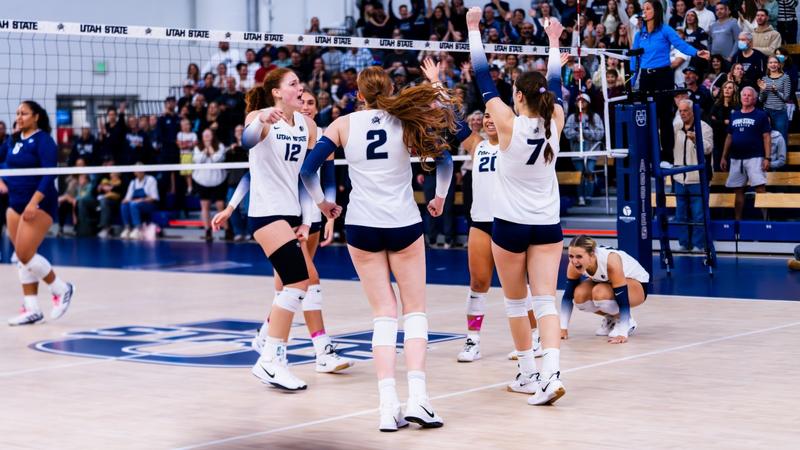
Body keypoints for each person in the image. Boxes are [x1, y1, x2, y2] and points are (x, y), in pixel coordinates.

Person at [300, 62, 456, 429]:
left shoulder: (342, 124)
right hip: (402, 223)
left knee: (384, 315)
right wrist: (439, 198)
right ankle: (419, 399)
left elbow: (307, 171)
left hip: (361, 226)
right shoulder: (405, 120)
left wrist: (323, 204)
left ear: (358, 94)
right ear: (389, 90)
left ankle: (388, 407)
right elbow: (445, 159)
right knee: (414, 311)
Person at [217, 89, 354, 374]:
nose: (306, 106)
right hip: (287, 215)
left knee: (290, 284)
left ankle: (265, 337)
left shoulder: (320, 135)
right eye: (302, 101)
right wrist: (230, 208)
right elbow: (253, 174)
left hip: (312, 214)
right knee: (308, 280)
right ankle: (321, 350)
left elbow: (328, 179)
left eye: (311, 102)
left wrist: (326, 217)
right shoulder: (280, 132)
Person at [468, 9, 567, 405]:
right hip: (547, 224)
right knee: (545, 300)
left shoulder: (507, 122)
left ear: (520, 95)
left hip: (509, 225)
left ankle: (528, 374)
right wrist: (554, 42)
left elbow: (481, 76)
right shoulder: (556, 118)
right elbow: (556, 83)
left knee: (515, 302)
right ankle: (551, 374)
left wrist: (473, 29)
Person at [212, 68, 327, 392]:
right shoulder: (259, 116)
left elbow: (306, 177)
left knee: (293, 285)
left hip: (292, 213)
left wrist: (309, 218)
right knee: (299, 280)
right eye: (293, 83)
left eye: (299, 83)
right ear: (277, 92)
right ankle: (271, 359)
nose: (300, 88)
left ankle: (268, 346)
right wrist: (262, 119)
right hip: (266, 213)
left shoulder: (307, 125)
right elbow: (247, 141)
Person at [455, 111, 543, 363]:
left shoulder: (515, 145)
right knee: (478, 283)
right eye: (486, 116)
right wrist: (439, 94)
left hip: (508, 220)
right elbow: (456, 124)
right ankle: (473, 340)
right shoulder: (477, 145)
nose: (489, 120)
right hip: (481, 221)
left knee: (516, 285)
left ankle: (535, 336)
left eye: (495, 116)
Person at [0, 101, 75, 325]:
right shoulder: (13, 140)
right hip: (15, 203)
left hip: (39, 203)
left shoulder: (44, 141)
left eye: (24, 113)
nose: (19, 117)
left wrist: (34, 203)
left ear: (36, 117)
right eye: (17, 113)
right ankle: (32, 308)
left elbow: (49, 174)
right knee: (22, 258)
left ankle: (61, 288)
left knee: (24, 254)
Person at [632, 0, 710, 168]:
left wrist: (697, 52)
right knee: (648, 119)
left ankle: (667, 157)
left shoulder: (665, 30)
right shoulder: (639, 34)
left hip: (663, 75)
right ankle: (651, 157)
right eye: (643, 9)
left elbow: (681, 45)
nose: (644, 11)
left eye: (647, 8)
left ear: (656, 11)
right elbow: (634, 58)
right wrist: (632, 79)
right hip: (646, 77)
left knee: (664, 117)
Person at [560, 236, 650, 344]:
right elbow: (567, 297)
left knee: (599, 293)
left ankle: (626, 322)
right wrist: (563, 329)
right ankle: (612, 318)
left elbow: (623, 299)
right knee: (579, 296)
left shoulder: (610, 261)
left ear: (592, 254)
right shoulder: (574, 265)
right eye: (571, 256)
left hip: (637, 284)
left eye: (579, 256)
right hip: (607, 282)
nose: (574, 261)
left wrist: (622, 334)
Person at [721, 86, 771, 221]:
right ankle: (738, 222)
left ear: (754, 99)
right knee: (737, 190)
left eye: (749, 95)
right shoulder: (734, 115)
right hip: (736, 158)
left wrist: (767, 157)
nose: (746, 97)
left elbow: (766, 137)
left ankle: (766, 222)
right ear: (740, 97)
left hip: (755, 157)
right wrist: (724, 156)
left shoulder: (761, 115)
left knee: (760, 189)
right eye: (744, 95)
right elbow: (729, 137)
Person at [673, 99, 714, 251]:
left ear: (693, 112)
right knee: (680, 214)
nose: (683, 114)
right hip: (679, 178)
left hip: (697, 178)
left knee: (699, 215)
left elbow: (708, 148)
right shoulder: (676, 127)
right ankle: (684, 243)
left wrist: (696, 139)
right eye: (680, 111)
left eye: (686, 111)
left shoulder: (704, 127)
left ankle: (699, 244)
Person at [564, 94, 604, 207]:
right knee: (580, 173)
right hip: (577, 151)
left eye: (584, 101)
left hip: (591, 150)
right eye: (579, 101)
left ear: (588, 103)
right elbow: (567, 132)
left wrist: (587, 133)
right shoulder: (572, 117)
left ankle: (588, 196)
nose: (581, 103)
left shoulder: (595, 117)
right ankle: (580, 197)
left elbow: (600, 133)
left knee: (589, 171)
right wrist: (577, 134)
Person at [192, 128, 227, 241]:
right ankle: (207, 230)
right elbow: (198, 160)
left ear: (213, 136)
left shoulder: (220, 146)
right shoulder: (197, 147)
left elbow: (217, 159)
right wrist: (205, 149)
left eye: (208, 135)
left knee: (220, 205)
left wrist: (210, 148)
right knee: (205, 206)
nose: (206, 137)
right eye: (204, 135)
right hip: (202, 181)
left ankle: (227, 230)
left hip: (218, 180)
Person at [758, 55, 791, 145]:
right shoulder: (764, 78)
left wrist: (776, 92)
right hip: (767, 112)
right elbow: (761, 99)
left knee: (781, 138)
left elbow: (786, 98)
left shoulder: (785, 77)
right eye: (771, 62)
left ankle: (782, 155)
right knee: (767, 138)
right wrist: (763, 90)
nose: (773, 64)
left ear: (779, 65)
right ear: (767, 65)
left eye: (775, 62)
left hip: (780, 112)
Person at [120, 166, 159, 240]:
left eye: (141, 170)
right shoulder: (133, 182)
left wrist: (141, 200)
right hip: (136, 204)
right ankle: (127, 228)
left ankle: (138, 228)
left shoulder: (151, 180)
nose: (139, 172)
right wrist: (125, 200)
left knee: (133, 204)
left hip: (149, 204)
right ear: (134, 172)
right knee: (124, 205)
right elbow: (128, 197)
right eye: (137, 170)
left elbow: (154, 198)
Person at [709, 81, 741, 172]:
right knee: (717, 168)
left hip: (732, 141)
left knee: (731, 169)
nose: (727, 90)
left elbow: (735, 123)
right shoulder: (716, 105)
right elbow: (711, 121)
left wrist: (718, 121)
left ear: (734, 91)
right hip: (718, 140)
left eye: (730, 88)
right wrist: (724, 122)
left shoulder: (737, 107)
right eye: (725, 87)